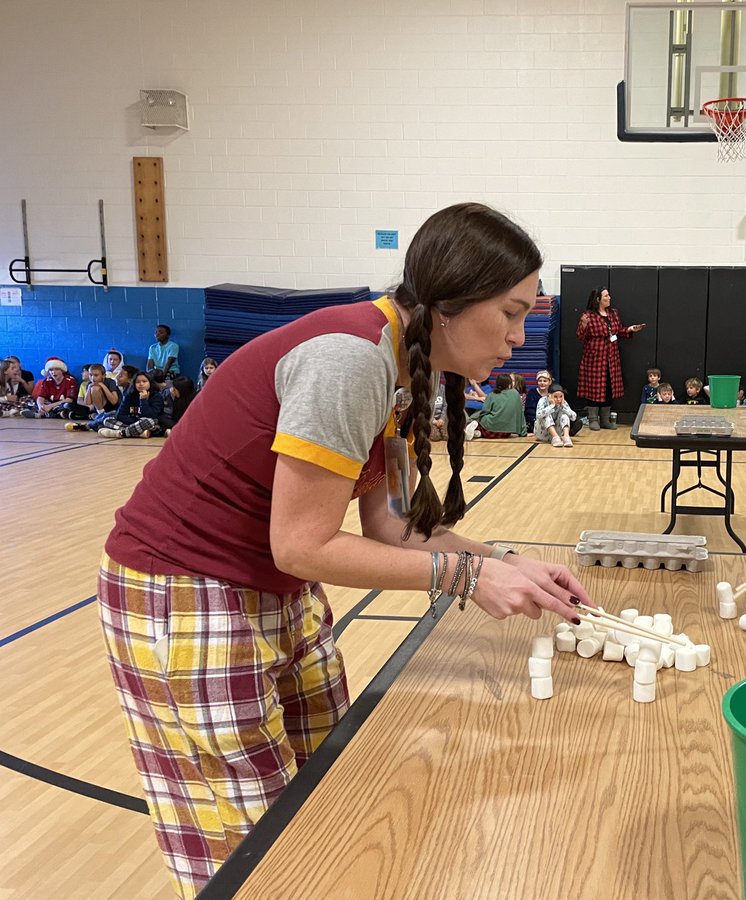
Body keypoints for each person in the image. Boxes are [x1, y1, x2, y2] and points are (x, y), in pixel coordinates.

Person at [96, 203, 592, 898]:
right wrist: (465, 576)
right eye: (510, 313)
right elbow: (302, 544)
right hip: (184, 592)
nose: (518, 338)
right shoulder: (350, 359)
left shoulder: (398, 365)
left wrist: (505, 561)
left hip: (273, 589)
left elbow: (392, 524)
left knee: (323, 798)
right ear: (449, 301)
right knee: (251, 849)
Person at [576, 287, 645, 430]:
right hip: (594, 358)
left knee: (608, 387)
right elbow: (580, 336)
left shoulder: (613, 313)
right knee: (593, 388)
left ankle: (605, 419)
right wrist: (583, 325)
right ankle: (593, 419)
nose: (609, 298)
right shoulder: (588, 315)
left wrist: (631, 329)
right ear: (598, 299)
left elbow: (619, 331)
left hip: (611, 358)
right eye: (606, 296)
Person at [469, 372, 527, 439]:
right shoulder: (515, 394)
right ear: (509, 384)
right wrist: (523, 433)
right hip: (506, 433)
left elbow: (484, 412)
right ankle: (476, 431)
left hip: (489, 431)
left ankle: (475, 429)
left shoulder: (492, 395)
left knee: (479, 416)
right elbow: (521, 414)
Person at [534, 383, 577, 448]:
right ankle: (555, 437)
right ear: (549, 395)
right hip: (542, 433)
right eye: (555, 397)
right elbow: (538, 415)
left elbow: (573, 417)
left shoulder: (563, 402)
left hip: (558, 432)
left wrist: (563, 407)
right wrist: (551, 406)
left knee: (564, 415)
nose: (559, 399)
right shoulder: (542, 400)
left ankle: (566, 436)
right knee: (546, 415)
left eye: (561, 396)